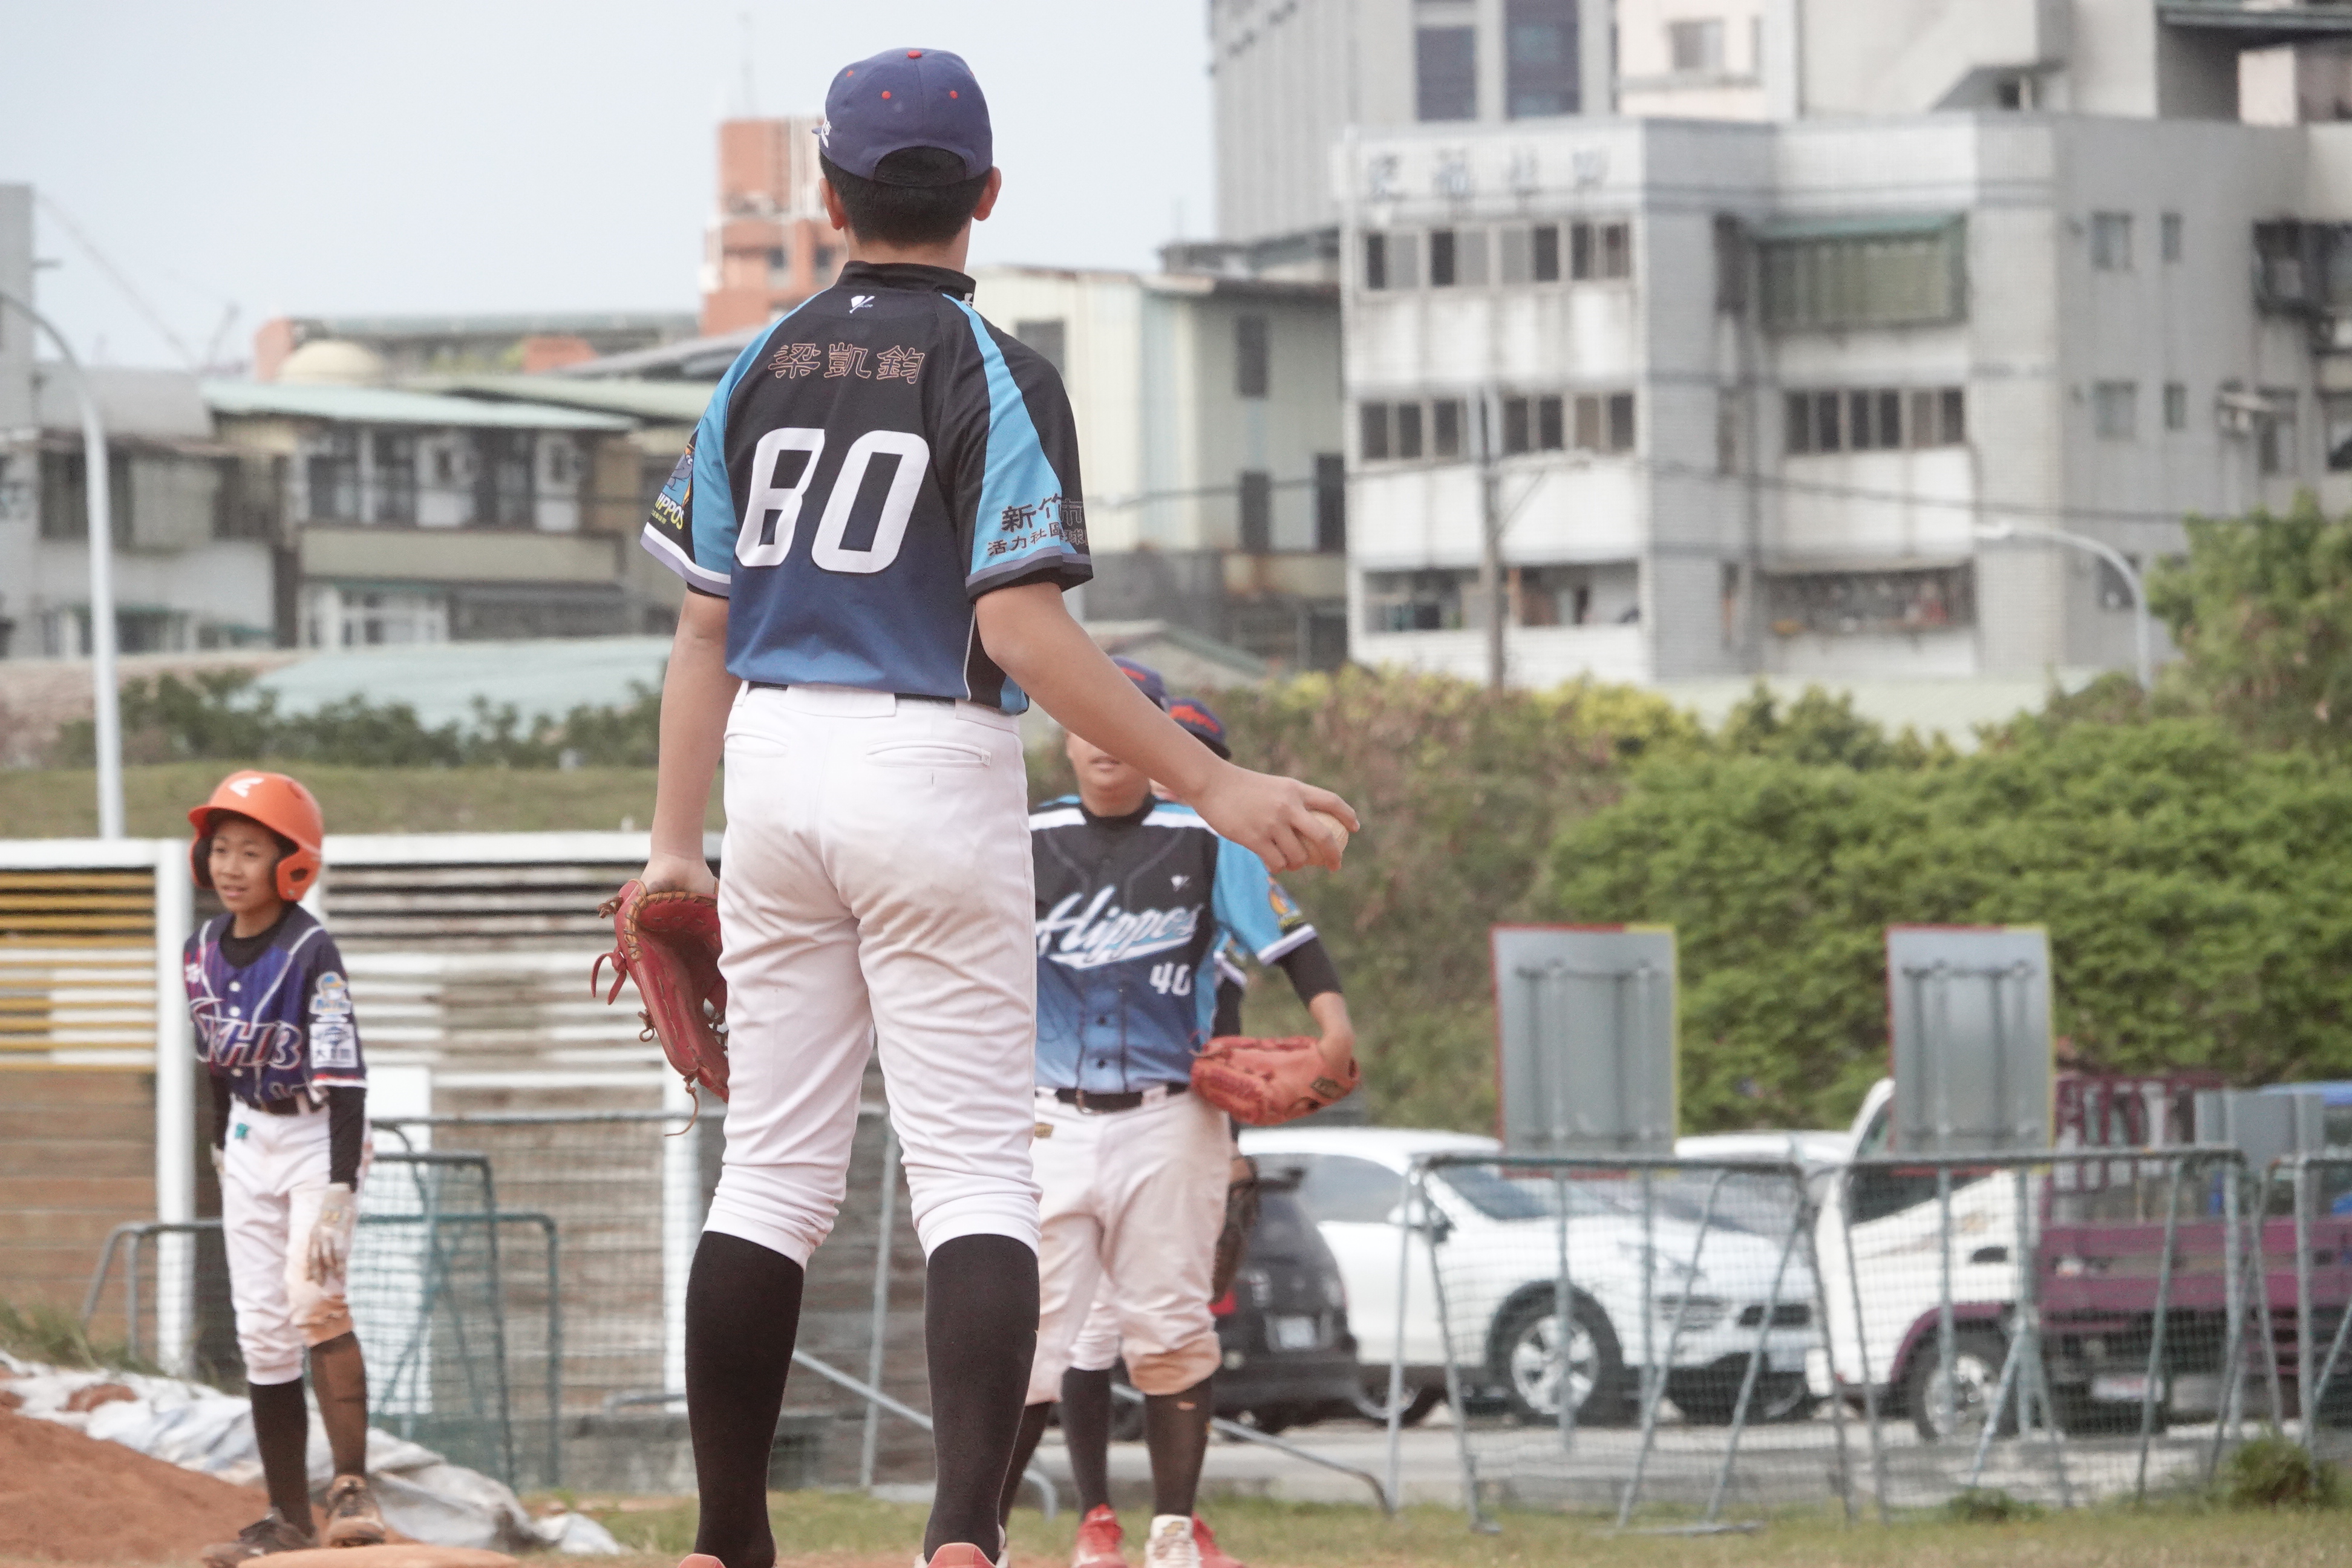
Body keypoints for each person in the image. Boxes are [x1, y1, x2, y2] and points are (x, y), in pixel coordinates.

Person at [632, 50, 1356, 1568]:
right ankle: (963, 1535)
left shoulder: (759, 363)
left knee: (770, 1176)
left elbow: (702, 628)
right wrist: (1214, 782)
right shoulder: (997, 371)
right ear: (989, 195)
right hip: (928, 760)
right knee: (969, 1174)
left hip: (771, 762)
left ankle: (727, 1539)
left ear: (827, 194)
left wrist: (671, 849)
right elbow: (1020, 628)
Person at [999, 673, 1356, 1568]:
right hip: (1048, 1121)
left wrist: (1336, 1028)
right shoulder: (1020, 838)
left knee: (1170, 1328)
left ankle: (1172, 1535)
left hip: (1171, 1118)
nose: (1104, 740)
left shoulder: (1203, 839)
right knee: (1031, 1340)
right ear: (1067, 736)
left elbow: (1292, 943)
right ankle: (977, 1536)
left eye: (1124, 722)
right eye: (1086, 720)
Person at [185, 770, 385, 1568]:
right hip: (248, 1137)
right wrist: (220, 1147)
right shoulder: (201, 950)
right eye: (221, 849)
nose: (231, 866)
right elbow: (214, 1064)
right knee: (262, 1332)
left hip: (315, 1136)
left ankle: (352, 1489)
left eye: (251, 851)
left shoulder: (310, 950)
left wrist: (339, 1188)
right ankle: (287, 1518)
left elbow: (347, 1080)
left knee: (313, 1299)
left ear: (291, 864)